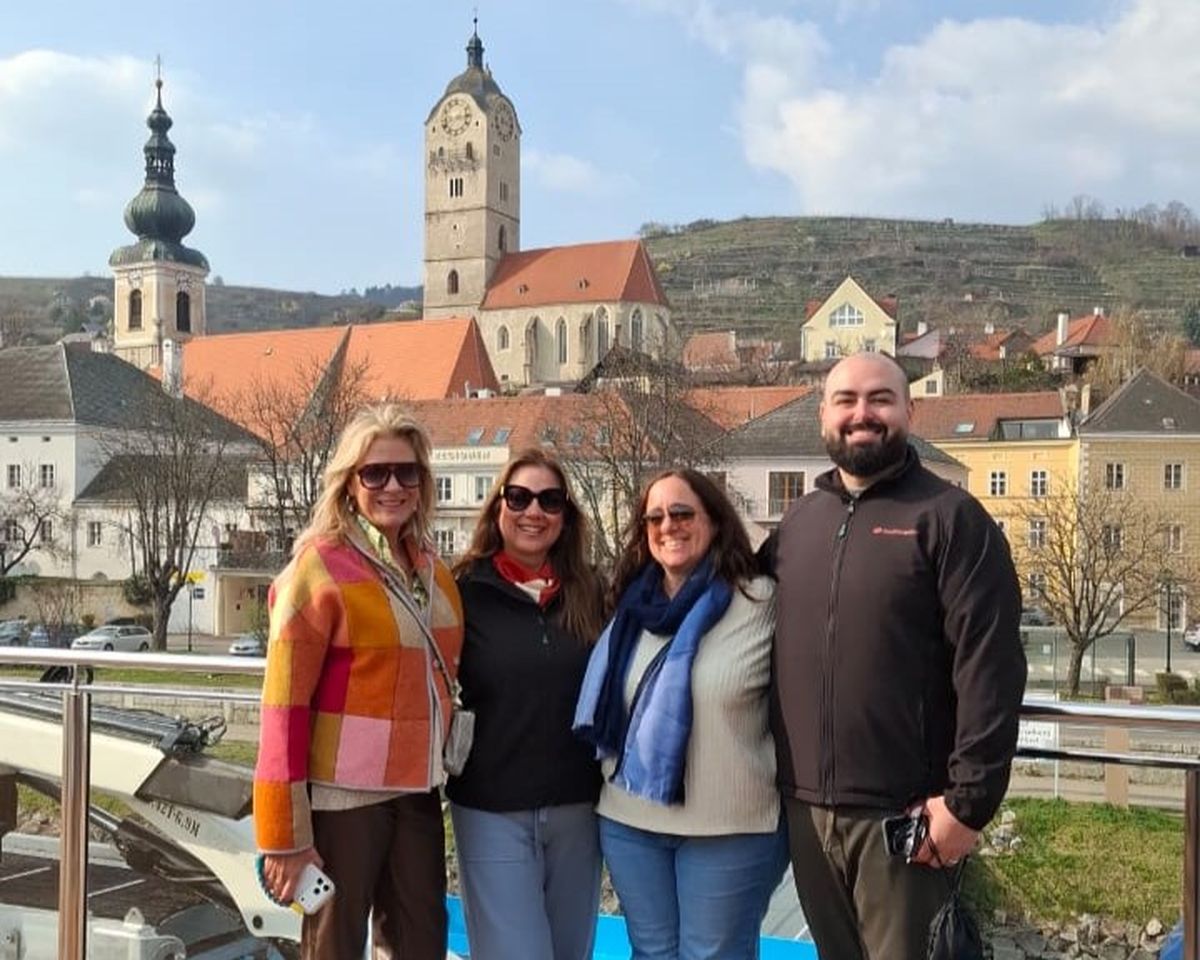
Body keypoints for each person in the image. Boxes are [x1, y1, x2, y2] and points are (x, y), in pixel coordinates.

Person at [762, 352, 1027, 960]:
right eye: (846, 400)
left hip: (906, 818)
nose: (863, 414)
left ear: (910, 410)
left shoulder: (951, 518)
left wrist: (968, 804)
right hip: (805, 812)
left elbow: (991, 666)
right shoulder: (800, 521)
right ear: (823, 416)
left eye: (880, 399)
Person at [253, 403, 464, 960]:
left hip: (419, 791)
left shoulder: (432, 570)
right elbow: (283, 710)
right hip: (343, 800)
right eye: (375, 473)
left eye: (406, 471)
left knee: (422, 943)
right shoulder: (319, 567)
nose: (393, 485)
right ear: (349, 484)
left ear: (422, 482)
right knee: (334, 948)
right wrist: (284, 838)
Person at [575, 469, 785, 960]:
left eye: (682, 513)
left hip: (730, 828)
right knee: (650, 954)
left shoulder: (760, 601)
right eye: (654, 517)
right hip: (630, 822)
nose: (667, 525)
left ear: (714, 519)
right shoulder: (627, 608)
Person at [446, 447, 607, 960]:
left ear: (566, 516)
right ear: (498, 508)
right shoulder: (462, 589)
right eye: (518, 497)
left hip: (578, 808)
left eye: (549, 500)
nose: (532, 511)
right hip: (492, 807)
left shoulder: (591, 592)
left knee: (569, 953)